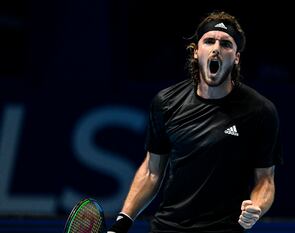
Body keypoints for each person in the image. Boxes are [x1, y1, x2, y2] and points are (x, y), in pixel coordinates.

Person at [108, 10, 283, 233]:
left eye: (226, 44)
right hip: (167, 227)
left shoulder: (260, 111)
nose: (217, 48)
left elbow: (265, 180)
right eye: (209, 41)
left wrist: (256, 207)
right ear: (196, 52)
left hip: (224, 229)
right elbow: (152, 171)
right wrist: (123, 221)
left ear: (236, 57)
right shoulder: (166, 103)